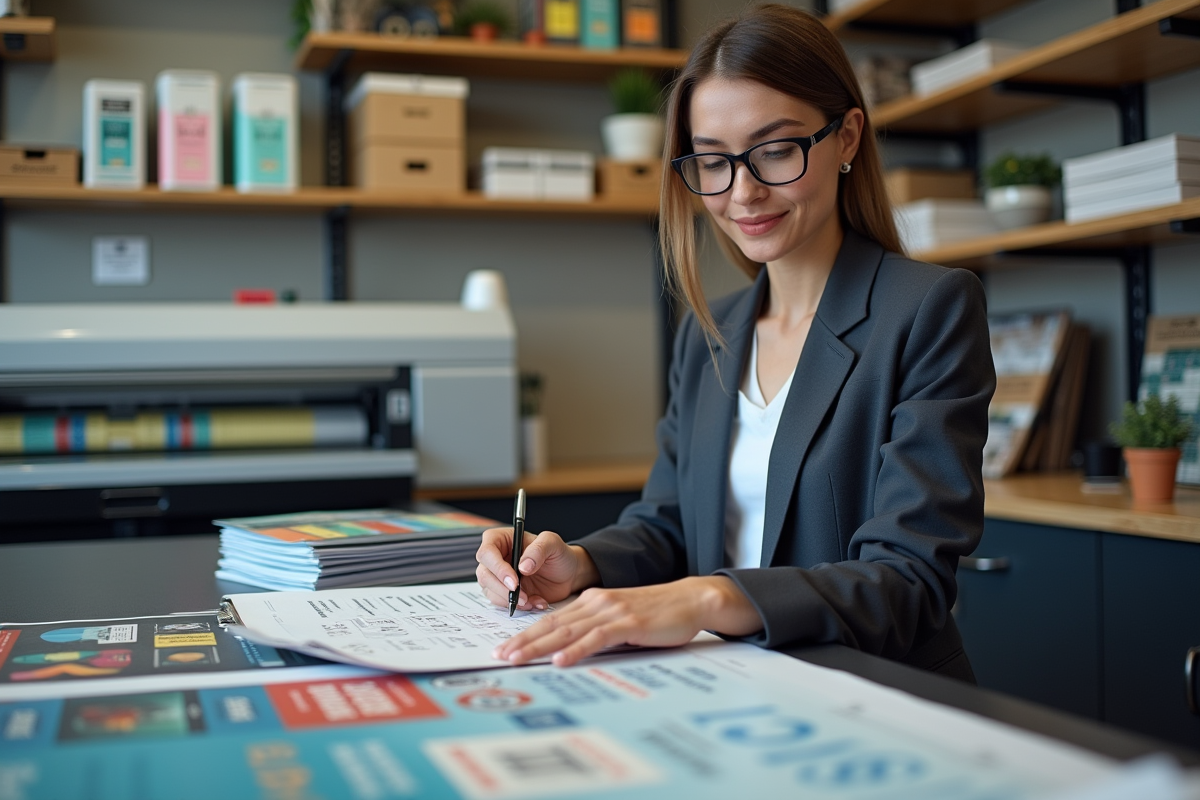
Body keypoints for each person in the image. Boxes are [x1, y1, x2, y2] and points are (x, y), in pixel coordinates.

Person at [476, 3, 995, 681]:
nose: (742, 193)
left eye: (775, 150)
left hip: (875, 691)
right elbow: (668, 524)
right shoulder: (710, 333)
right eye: (713, 162)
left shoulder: (927, 309)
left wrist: (709, 597)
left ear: (846, 138)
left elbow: (908, 580)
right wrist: (578, 563)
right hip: (730, 685)